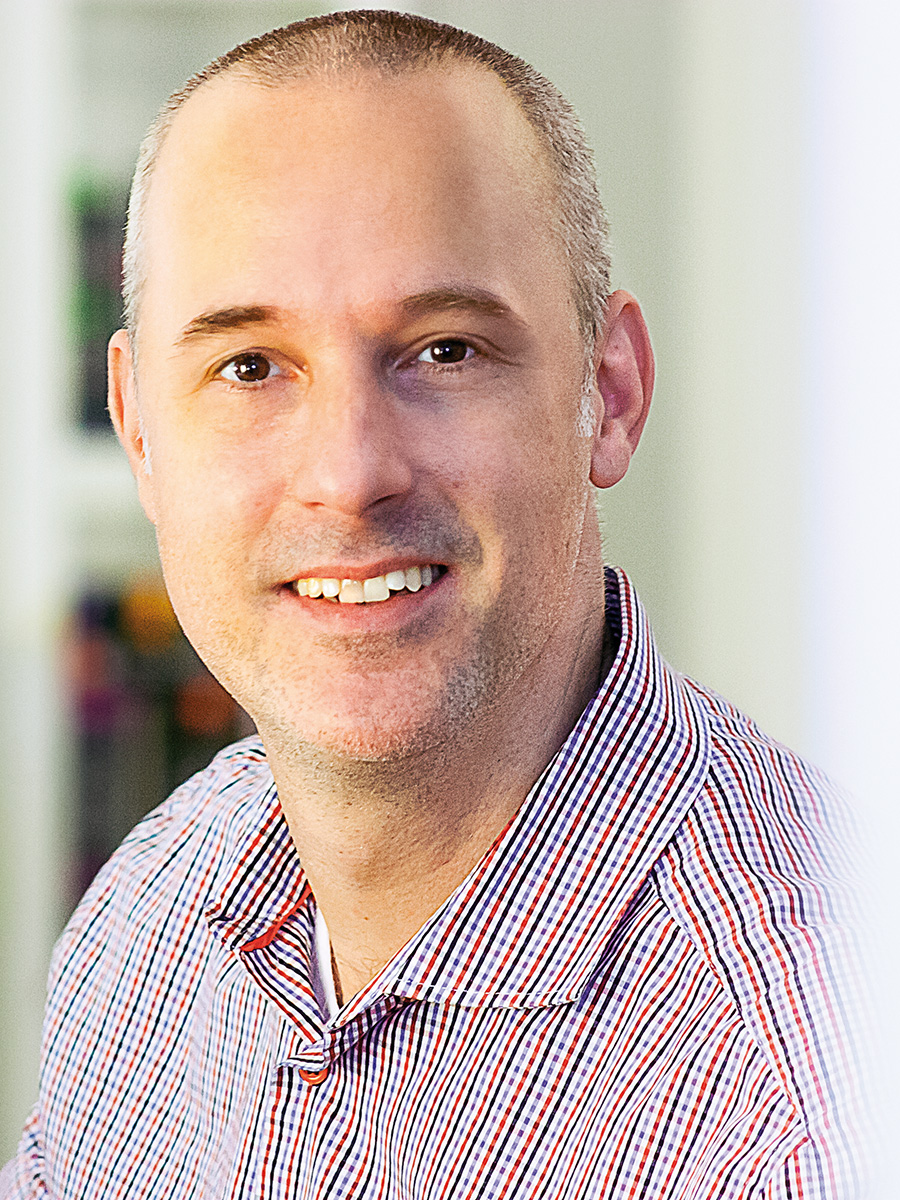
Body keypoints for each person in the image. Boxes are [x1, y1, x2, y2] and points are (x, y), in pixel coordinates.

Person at [1, 11, 864, 1198]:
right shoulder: (149, 914)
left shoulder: (809, 1087)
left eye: (444, 350)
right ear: (140, 430)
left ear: (609, 394)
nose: (349, 472)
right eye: (249, 366)